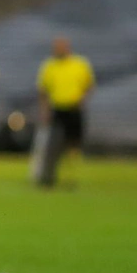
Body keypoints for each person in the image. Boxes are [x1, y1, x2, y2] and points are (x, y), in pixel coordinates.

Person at [36, 36, 95, 186]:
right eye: (56, 47)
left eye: (60, 47)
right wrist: (45, 110)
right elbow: (43, 90)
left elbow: (89, 84)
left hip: (73, 108)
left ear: (67, 48)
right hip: (56, 108)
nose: (57, 50)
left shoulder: (80, 64)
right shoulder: (49, 66)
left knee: (73, 145)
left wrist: (82, 99)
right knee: (53, 144)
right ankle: (48, 177)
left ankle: (71, 177)